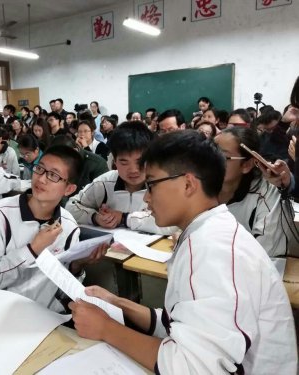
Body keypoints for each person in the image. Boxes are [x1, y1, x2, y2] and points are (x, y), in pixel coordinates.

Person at [70, 130, 297, 374]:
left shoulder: (215, 249)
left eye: (152, 185)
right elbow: (178, 324)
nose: (146, 198)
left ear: (188, 184)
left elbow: (191, 367)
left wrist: (106, 328)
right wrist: (117, 303)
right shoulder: (201, 233)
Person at [0, 145, 108, 312]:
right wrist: (32, 249)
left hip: (44, 317)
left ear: (69, 189)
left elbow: (64, 293)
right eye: (39, 169)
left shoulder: (69, 226)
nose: (41, 179)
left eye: (53, 175)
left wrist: (76, 266)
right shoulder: (1, 213)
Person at [66, 122, 172, 234]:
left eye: (140, 161)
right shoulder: (105, 182)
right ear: (114, 161)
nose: (133, 170)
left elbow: (173, 221)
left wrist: (124, 218)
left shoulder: (162, 183)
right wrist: (95, 217)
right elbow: (71, 206)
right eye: (124, 162)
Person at [215, 127, 293, 257]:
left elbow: (264, 253)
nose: (210, 161)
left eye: (222, 156)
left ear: (246, 165)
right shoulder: (200, 184)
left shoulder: (267, 192)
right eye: (210, 152)